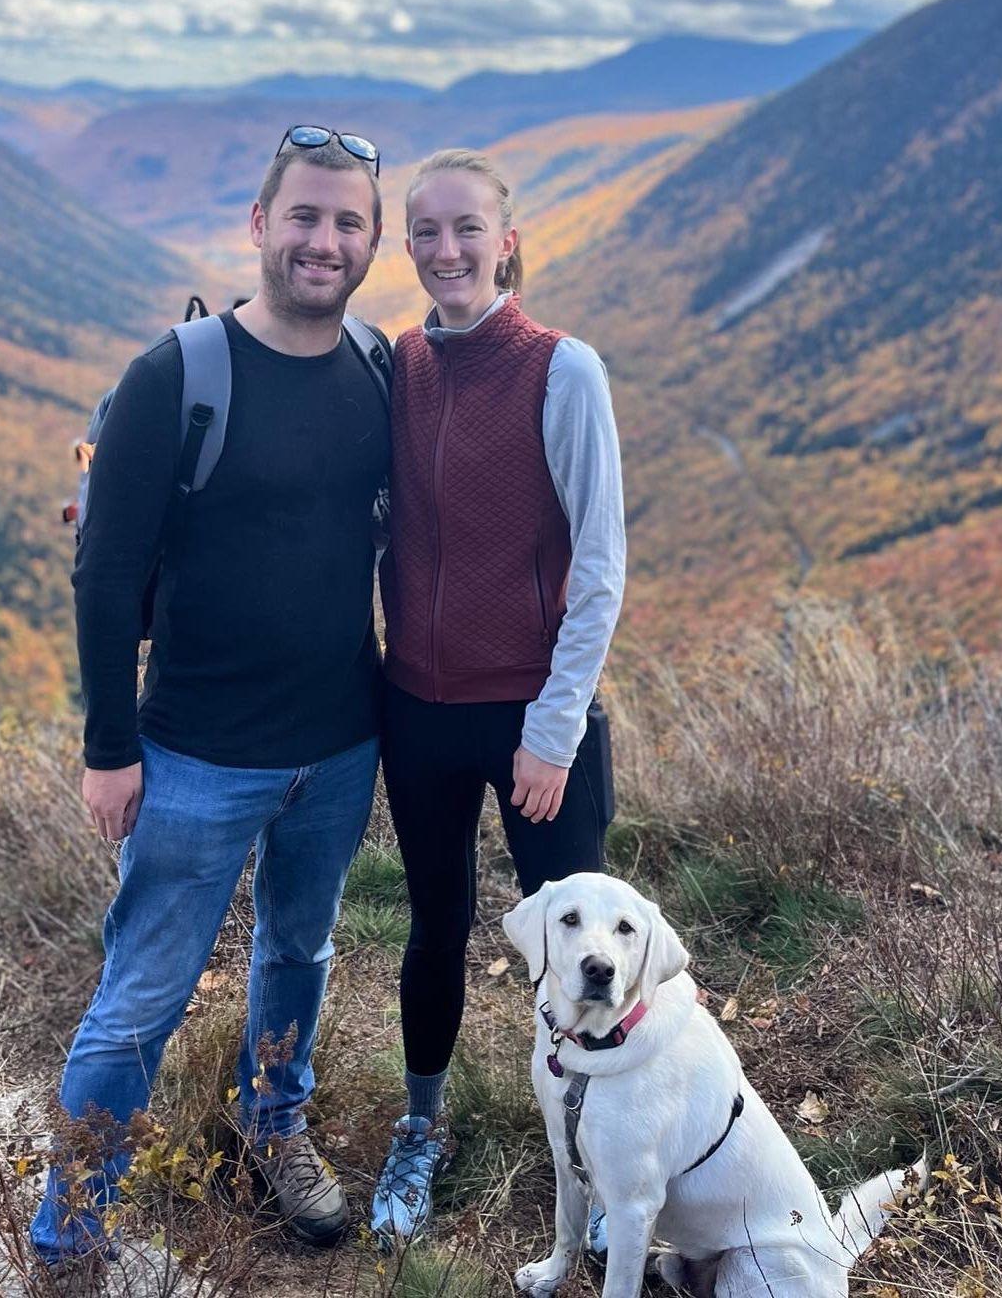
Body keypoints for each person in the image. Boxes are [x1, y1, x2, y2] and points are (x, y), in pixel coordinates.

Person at [30, 129, 392, 1270]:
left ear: (371, 241)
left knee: (302, 953)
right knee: (140, 1002)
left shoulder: (379, 364)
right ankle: (69, 1239)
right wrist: (109, 747)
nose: (324, 241)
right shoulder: (176, 375)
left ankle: (272, 1127)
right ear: (259, 225)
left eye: (347, 223)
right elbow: (102, 570)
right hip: (192, 755)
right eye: (305, 218)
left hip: (339, 746)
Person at [367, 147, 627, 1243]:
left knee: (583, 951)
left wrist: (553, 732)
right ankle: (423, 1130)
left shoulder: (563, 369)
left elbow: (602, 565)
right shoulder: (400, 366)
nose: (445, 250)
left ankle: (610, 1155)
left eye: (466, 229)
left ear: (506, 240)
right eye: (424, 232)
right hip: (417, 713)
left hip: (533, 721)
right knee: (435, 926)